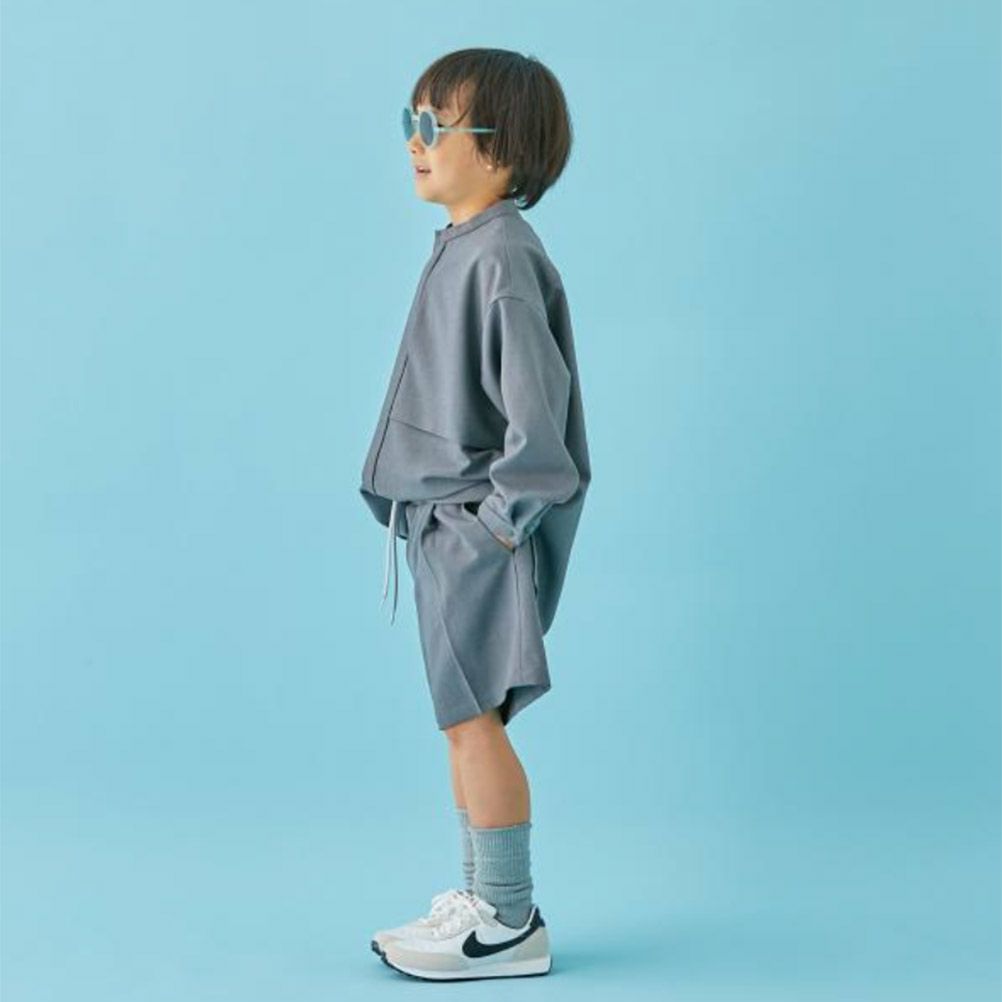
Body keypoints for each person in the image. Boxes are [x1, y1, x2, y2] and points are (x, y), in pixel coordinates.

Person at [359, 48, 591, 981]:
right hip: (445, 526)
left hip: (473, 531)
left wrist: (495, 526)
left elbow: (540, 421)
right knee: (464, 720)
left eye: (433, 126)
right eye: (408, 122)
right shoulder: (466, 245)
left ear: (501, 151)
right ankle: (482, 903)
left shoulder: (500, 257)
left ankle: (507, 917)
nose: (414, 143)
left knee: (474, 722)